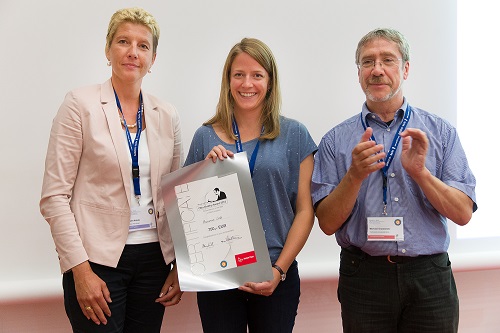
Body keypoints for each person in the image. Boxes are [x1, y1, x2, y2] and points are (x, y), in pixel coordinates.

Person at [311, 28, 477, 333]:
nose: (377, 69)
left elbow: (463, 213)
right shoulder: (335, 141)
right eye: (367, 62)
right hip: (364, 277)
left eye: (388, 59)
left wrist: (421, 173)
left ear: (406, 68)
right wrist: (355, 175)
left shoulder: (440, 132)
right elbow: (327, 223)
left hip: (429, 276)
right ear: (358, 73)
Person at [40, 7, 183, 333]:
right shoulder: (79, 105)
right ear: (108, 50)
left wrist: (180, 265)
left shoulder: (167, 114)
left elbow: (175, 194)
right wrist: (81, 270)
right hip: (97, 262)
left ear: (153, 58)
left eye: (143, 45)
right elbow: (54, 196)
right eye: (123, 41)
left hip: (154, 261)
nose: (133, 52)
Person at [184, 37, 317, 333]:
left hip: (275, 273)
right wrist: (206, 172)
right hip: (218, 277)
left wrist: (278, 270)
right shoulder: (205, 137)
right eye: (239, 74)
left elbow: (305, 211)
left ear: (269, 82)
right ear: (228, 80)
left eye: (257, 75)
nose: (247, 83)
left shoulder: (295, 135)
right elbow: (187, 214)